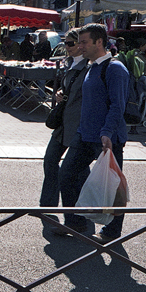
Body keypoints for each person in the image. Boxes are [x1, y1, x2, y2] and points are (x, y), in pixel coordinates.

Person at [52, 23, 128, 244]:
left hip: (107, 139)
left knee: (112, 185)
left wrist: (107, 132)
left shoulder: (115, 68)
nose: (80, 46)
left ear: (99, 42)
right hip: (84, 135)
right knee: (66, 174)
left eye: (84, 42)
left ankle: (112, 232)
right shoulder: (91, 67)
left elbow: (118, 105)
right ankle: (75, 222)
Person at [40, 28, 87, 218]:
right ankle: (47, 205)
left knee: (78, 169)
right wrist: (61, 93)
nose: (66, 47)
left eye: (70, 43)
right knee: (50, 160)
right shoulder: (70, 63)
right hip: (63, 123)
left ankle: (79, 211)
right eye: (65, 43)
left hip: (77, 124)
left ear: (81, 45)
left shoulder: (88, 66)